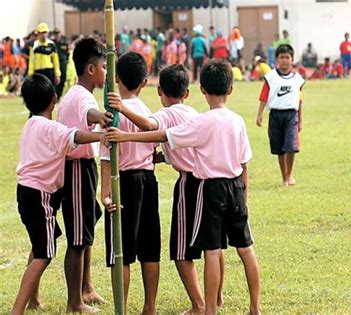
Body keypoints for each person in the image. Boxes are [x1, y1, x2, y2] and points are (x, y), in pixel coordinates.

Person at [106, 59, 261, 315]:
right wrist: (244, 193)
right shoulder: (224, 118)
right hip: (235, 186)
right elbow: (244, 161)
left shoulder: (185, 118)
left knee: (201, 251)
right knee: (243, 248)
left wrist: (124, 135)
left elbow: (157, 132)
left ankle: (204, 307)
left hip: (204, 187)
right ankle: (252, 306)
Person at [11, 74, 104, 315]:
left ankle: (32, 300)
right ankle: (17, 309)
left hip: (26, 191)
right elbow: (75, 135)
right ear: (54, 99)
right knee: (44, 253)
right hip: (40, 195)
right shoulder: (51, 128)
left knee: (40, 244)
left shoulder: (31, 124)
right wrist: (101, 136)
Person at [100, 52, 160, 315]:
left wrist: (106, 195)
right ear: (144, 83)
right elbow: (154, 144)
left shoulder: (114, 115)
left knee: (121, 252)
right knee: (150, 248)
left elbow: (105, 158)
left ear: (116, 79)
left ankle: (121, 309)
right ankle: (150, 306)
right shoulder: (146, 111)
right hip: (147, 180)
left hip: (122, 182)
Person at [57, 37, 112, 313]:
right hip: (76, 168)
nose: (106, 72)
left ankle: (87, 287)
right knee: (78, 237)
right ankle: (74, 302)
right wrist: (100, 117)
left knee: (87, 226)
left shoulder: (81, 93)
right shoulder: (80, 96)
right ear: (91, 69)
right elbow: (87, 114)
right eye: (104, 66)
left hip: (84, 167)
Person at [256, 44, 305, 186]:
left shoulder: (297, 79)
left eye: (287, 57)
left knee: (291, 146)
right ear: (277, 59)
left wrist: (300, 120)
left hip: (291, 115)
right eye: (282, 57)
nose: (285, 60)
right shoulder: (271, 78)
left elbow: (299, 100)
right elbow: (264, 96)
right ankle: (284, 176)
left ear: (292, 59)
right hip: (275, 115)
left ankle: (290, 174)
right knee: (279, 148)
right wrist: (260, 114)